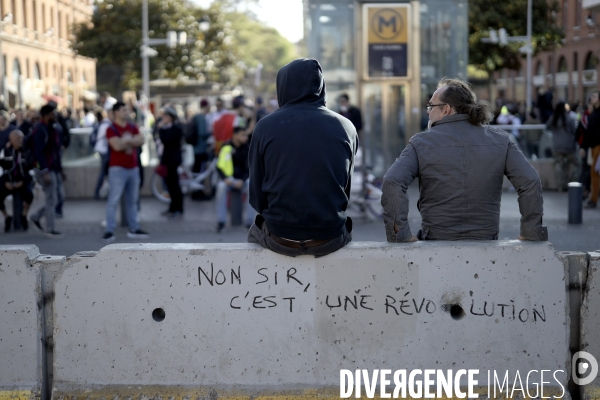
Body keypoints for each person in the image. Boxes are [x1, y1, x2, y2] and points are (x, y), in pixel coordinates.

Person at [381, 77, 548, 242]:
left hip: (437, 242)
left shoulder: (421, 142)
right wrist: (531, 231)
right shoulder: (500, 140)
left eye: (431, 106)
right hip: (486, 241)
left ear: (446, 109)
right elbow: (530, 181)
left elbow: (392, 181)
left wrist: (400, 233)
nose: (428, 111)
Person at [247, 58, 359, 257]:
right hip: (329, 237)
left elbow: (256, 196)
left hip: (280, 237)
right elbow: (345, 190)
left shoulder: (265, 127)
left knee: (255, 231)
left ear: (283, 86)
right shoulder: (346, 127)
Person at [102, 102, 149, 242]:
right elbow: (116, 146)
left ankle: (134, 227)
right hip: (117, 168)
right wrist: (131, 141)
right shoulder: (111, 128)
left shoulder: (132, 126)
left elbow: (142, 140)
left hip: (133, 167)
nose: (126, 112)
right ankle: (109, 230)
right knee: (113, 200)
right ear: (116, 112)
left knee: (133, 200)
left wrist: (126, 141)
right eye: (123, 110)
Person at [29, 105, 65, 238]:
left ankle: (36, 216)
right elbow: (38, 152)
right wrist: (45, 171)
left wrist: (60, 169)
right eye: (52, 113)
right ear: (46, 115)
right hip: (45, 169)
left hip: (54, 168)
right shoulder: (40, 129)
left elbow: (56, 150)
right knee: (52, 198)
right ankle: (50, 228)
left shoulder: (53, 128)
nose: (55, 115)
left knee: (59, 197)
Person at [215, 119, 255, 232]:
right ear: (235, 135)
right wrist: (225, 179)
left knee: (250, 187)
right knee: (221, 187)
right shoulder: (226, 146)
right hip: (229, 180)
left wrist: (242, 180)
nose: (245, 138)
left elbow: (250, 168)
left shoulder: (248, 148)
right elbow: (219, 166)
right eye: (242, 135)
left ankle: (249, 222)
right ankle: (221, 221)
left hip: (243, 180)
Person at [0, 130, 33, 232]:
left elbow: (29, 171)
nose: (21, 140)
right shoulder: (5, 151)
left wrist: (22, 182)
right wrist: (6, 182)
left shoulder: (26, 151)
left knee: (29, 195)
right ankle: (7, 217)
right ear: (11, 140)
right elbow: (2, 169)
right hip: (8, 181)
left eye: (22, 138)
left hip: (22, 181)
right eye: (18, 138)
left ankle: (24, 215)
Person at [158, 107, 184, 217]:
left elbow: (167, 141)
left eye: (166, 116)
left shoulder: (176, 128)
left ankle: (178, 208)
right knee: (169, 185)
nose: (163, 118)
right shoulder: (168, 128)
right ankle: (172, 208)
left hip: (172, 160)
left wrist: (161, 129)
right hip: (167, 159)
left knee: (175, 185)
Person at [547, 101, 577, 192]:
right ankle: (572, 184)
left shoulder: (553, 118)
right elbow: (573, 131)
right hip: (569, 145)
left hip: (557, 146)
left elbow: (547, 126)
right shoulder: (568, 118)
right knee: (573, 164)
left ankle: (560, 186)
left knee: (559, 165)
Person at [581, 90, 600, 208]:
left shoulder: (597, 114)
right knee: (594, 173)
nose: (591, 98)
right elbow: (588, 133)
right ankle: (593, 198)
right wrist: (584, 146)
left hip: (598, 146)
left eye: (594, 96)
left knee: (594, 173)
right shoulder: (593, 114)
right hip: (594, 147)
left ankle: (593, 199)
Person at [93, 108, 112, 199]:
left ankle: (101, 192)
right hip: (104, 150)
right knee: (104, 173)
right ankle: (98, 192)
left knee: (105, 172)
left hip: (103, 150)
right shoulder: (106, 124)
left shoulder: (103, 124)